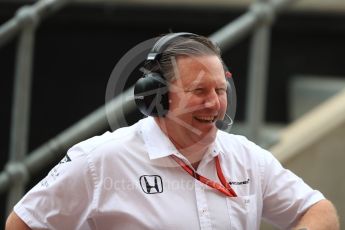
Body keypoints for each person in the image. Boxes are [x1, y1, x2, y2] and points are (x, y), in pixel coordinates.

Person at [6, 33, 339, 230]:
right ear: (156, 96)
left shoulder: (247, 157)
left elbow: (321, 211)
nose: (214, 104)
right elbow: (23, 223)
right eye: (199, 91)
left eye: (220, 90)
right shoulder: (100, 159)